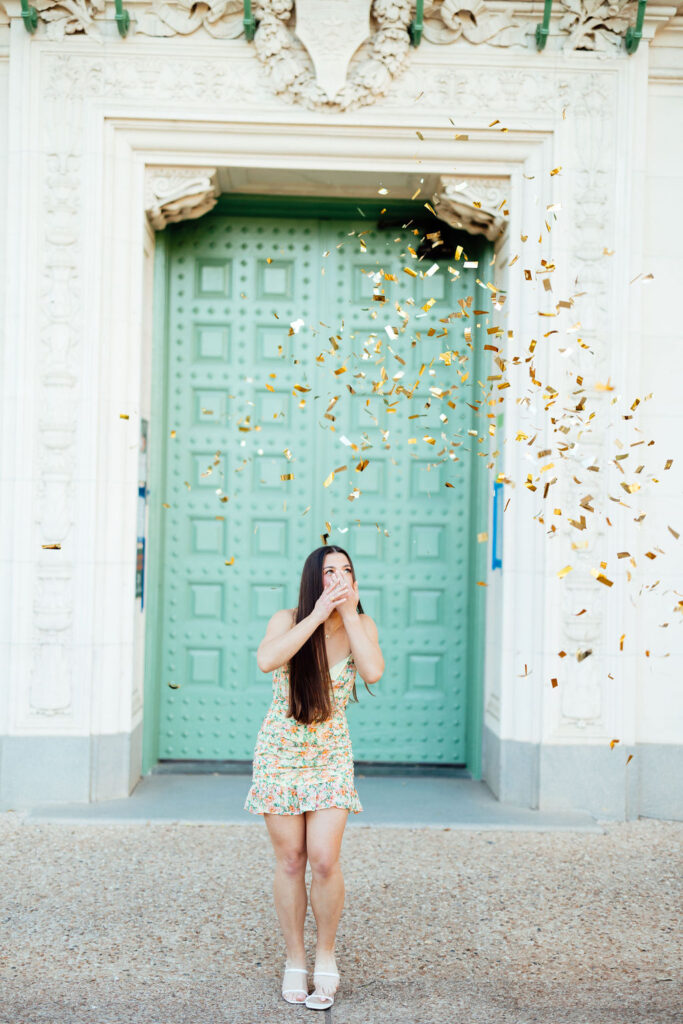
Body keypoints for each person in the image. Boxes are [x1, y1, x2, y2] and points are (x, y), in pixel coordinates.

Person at [244, 545, 384, 1009]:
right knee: (290, 860)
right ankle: (295, 959)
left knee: (323, 859)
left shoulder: (361, 626)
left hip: (330, 755)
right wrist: (318, 614)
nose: (340, 576)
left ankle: (326, 954)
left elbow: (374, 671)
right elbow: (267, 660)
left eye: (347, 570)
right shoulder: (287, 620)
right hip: (280, 754)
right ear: (313, 580)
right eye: (329, 572)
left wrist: (348, 614)